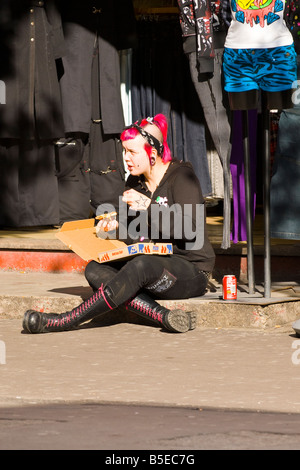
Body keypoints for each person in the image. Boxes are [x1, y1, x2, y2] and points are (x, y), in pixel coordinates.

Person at [22, 114, 215, 335]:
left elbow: (191, 230)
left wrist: (148, 205)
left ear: (152, 153)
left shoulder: (182, 176)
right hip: (153, 263)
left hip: (190, 269)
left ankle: (65, 320)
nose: (126, 158)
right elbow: (135, 235)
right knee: (95, 268)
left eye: (132, 151)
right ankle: (164, 316)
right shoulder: (135, 182)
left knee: (142, 265)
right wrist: (114, 229)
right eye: (124, 151)